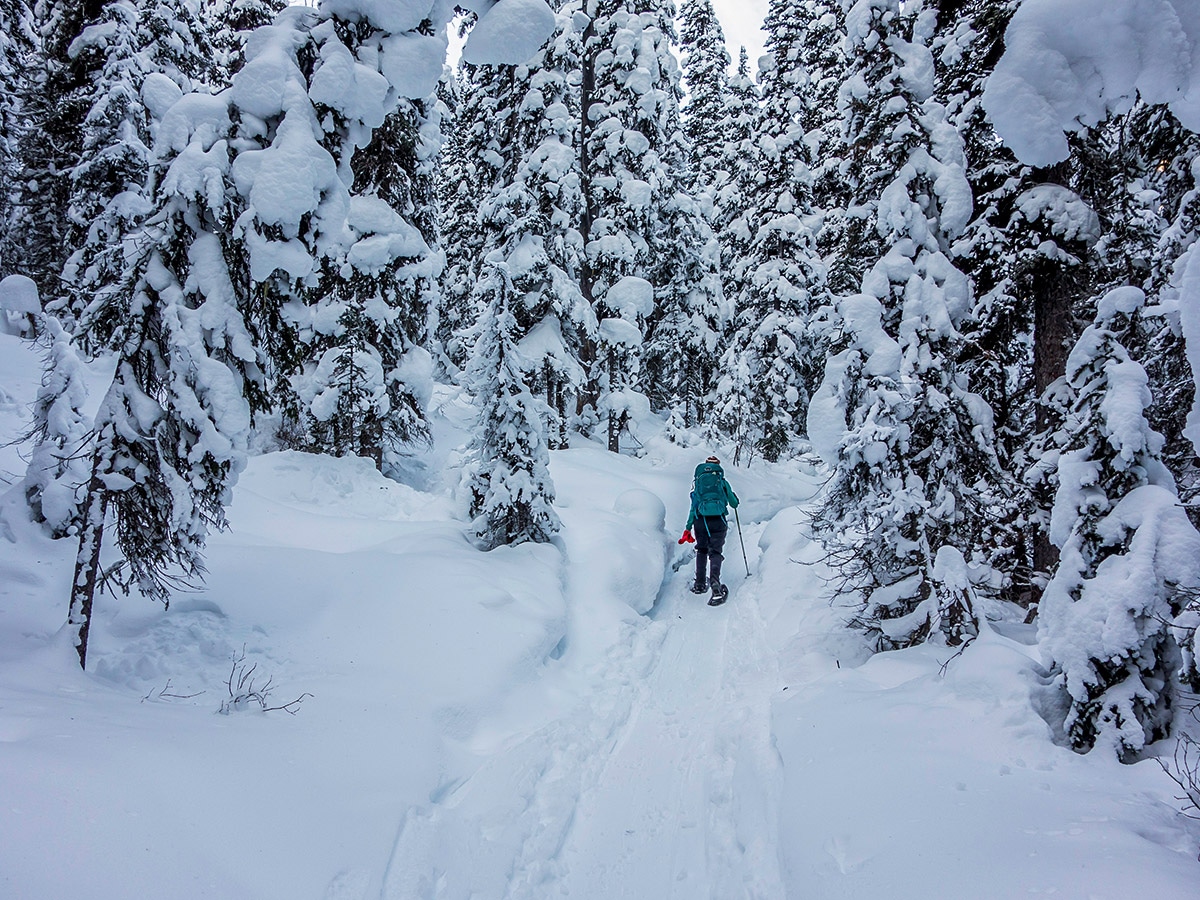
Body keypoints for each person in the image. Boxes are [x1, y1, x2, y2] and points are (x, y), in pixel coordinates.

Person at [678, 455, 739, 602]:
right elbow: (734, 503)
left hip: (700, 521)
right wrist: (733, 497)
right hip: (718, 521)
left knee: (702, 550)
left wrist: (688, 527)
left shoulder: (698, 484)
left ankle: (699, 584)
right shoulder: (722, 483)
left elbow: (693, 507)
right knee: (715, 551)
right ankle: (715, 584)